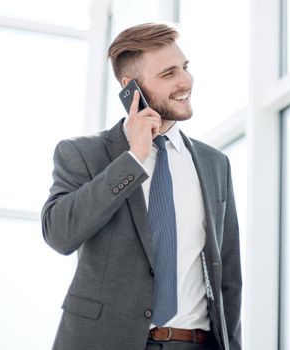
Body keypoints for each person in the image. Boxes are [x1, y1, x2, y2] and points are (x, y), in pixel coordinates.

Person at [42, 23, 241, 350]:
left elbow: (229, 276)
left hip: (196, 343)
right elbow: (60, 234)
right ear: (130, 87)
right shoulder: (83, 153)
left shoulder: (214, 163)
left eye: (185, 68)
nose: (186, 82)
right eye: (168, 74)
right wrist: (134, 158)